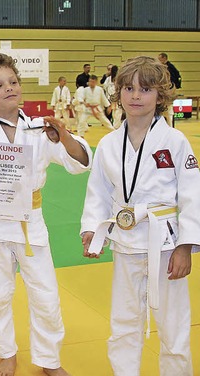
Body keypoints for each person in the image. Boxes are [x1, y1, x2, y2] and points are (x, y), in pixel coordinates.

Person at [0, 53, 92, 376]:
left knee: (46, 294)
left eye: (13, 82)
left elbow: (77, 162)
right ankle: (5, 352)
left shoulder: (40, 130)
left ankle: (49, 358)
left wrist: (62, 135)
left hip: (31, 223)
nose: (9, 88)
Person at [81, 55, 199, 376]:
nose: (135, 96)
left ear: (160, 96)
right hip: (125, 242)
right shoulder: (107, 144)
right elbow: (99, 192)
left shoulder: (174, 141)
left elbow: (191, 194)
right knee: (123, 321)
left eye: (145, 89)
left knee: (173, 325)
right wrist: (92, 229)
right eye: (129, 88)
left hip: (165, 243)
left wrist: (186, 245)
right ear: (118, 94)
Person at [157, 53, 182, 126]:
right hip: (163, 89)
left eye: (160, 58)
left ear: (164, 58)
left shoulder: (170, 67)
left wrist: (177, 86)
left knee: (169, 109)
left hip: (169, 89)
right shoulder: (161, 67)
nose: (159, 60)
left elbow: (178, 76)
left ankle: (170, 126)